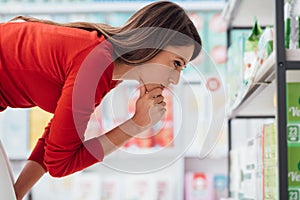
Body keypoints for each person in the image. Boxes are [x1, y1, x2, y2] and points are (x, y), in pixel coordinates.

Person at [0, 1, 201, 199]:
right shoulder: (96, 63)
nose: (174, 79)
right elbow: (59, 164)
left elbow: (54, 142)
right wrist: (136, 124)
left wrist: (14, 195)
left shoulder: (106, 66)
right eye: (175, 63)